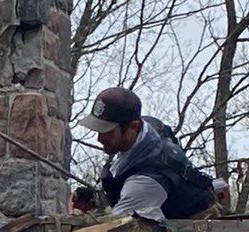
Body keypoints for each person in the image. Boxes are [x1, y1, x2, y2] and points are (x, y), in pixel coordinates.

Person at [73, 86, 221, 222]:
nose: (99, 138)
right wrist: (92, 199)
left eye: (108, 131)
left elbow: (113, 228)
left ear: (133, 127)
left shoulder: (146, 182)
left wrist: (84, 217)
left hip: (196, 230)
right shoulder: (151, 126)